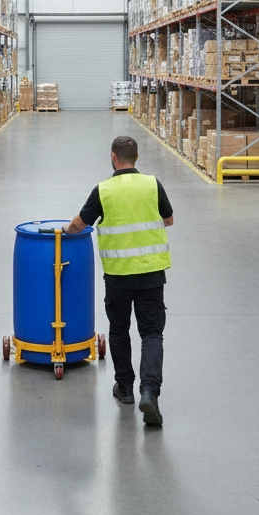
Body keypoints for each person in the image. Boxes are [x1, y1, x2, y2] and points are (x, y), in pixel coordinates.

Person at [64, 135, 173, 426]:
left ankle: (125, 388)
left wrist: (63, 231)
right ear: (136, 157)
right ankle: (149, 391)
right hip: (151, 273)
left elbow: (80, 224)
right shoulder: (152, 184)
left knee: (119, 329)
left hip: (118, 275)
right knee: (151, 334)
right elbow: (168, 219)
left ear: (114, 158)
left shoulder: (104, 190)